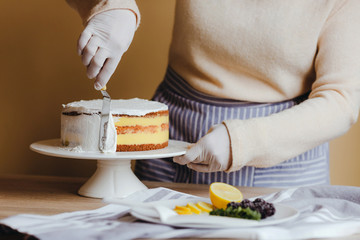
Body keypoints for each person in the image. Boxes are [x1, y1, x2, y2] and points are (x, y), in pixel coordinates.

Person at [66, 0, 360, 187]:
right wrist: (110, 6)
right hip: (172, 139)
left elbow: (341, 100)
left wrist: (242, 142)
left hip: (282, 160)